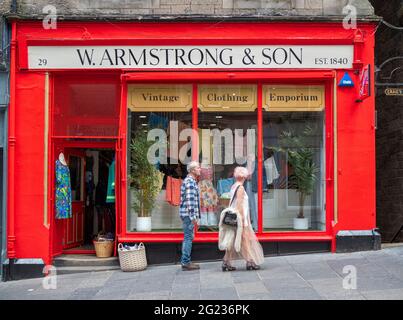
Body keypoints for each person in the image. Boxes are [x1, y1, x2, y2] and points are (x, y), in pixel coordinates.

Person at [219, 166, 265, 271]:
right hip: (240, 219)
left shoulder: (234, 186)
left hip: (235, 219)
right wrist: (243, 220)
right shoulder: (240, 188)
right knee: (245, 240)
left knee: (234, 240)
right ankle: (249, 262)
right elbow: (239, 204)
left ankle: (226, 262)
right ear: (244, 176)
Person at [179, 161, 201, 271]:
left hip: (187, 215)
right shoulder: (190, 182)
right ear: (192, 170)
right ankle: (186, 262)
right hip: (189, 215)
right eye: (198, 168)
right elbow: (190, 201)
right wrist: (193, 217)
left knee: (188, 237)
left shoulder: (190, 181)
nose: (200, 169)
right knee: (188, 238)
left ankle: (186, 261)